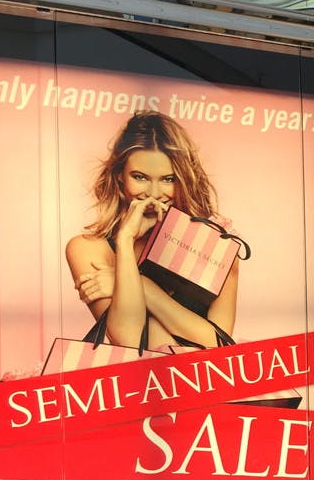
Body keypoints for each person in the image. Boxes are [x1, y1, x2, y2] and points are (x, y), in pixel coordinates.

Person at [66, 111, 238, 349]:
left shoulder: (216, 246)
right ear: (119, 176)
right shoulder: (88, 249)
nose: (154, 193)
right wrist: (125, 241)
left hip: (203, 373)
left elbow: (220, 346)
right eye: (140, 177)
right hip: (144, 373)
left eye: (168, 179)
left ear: (184, 180)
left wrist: (141, 286)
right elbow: (129, 340)